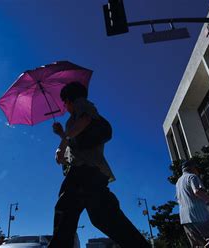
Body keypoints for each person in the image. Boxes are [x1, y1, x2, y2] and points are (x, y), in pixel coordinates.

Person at [48, 82, 150, 248]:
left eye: (64, 102)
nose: (64, 106)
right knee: (103, 217)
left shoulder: (82, 104)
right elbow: (75, 148)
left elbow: (85, 120)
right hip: (91, 173)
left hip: (84, 172)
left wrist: (63, 140)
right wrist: (61, 135)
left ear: (69, 99)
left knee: (66, 212)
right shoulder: (70, 123)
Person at [176, 160, 209, 247]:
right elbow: (197, 192)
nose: (197, 170)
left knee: (199, 245)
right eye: (196, 168)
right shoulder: (192, 177)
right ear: (192, 168)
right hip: (199, 216)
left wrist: (208, 203)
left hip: (185, 220)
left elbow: (182, 198)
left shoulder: (178, 183)